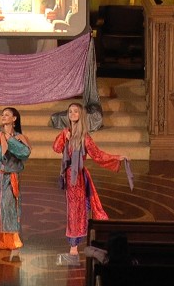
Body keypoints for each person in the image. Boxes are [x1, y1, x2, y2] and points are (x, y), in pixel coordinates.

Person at [53, 102, 128, 257]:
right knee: (74, 209)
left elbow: (98, 155)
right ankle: (77, 240)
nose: (72, 114)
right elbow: (56, 148)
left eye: (75, 111)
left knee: (76, 210)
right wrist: (63, 137)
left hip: (78, 178)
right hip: (67, 177)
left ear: (81, 115)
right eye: (70, 112)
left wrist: (116, 157)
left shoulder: (84, 138)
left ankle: (74, 245)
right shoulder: (65, 132)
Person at [0, 107, 31, 250]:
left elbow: (25, 153)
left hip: (10, 176)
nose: (3, 117)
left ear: (14, 118)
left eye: (7, 115)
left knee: (8, 205)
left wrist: (10, 140)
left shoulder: (19, 137)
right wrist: (5, 142)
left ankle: (9, 239)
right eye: (2, 115)